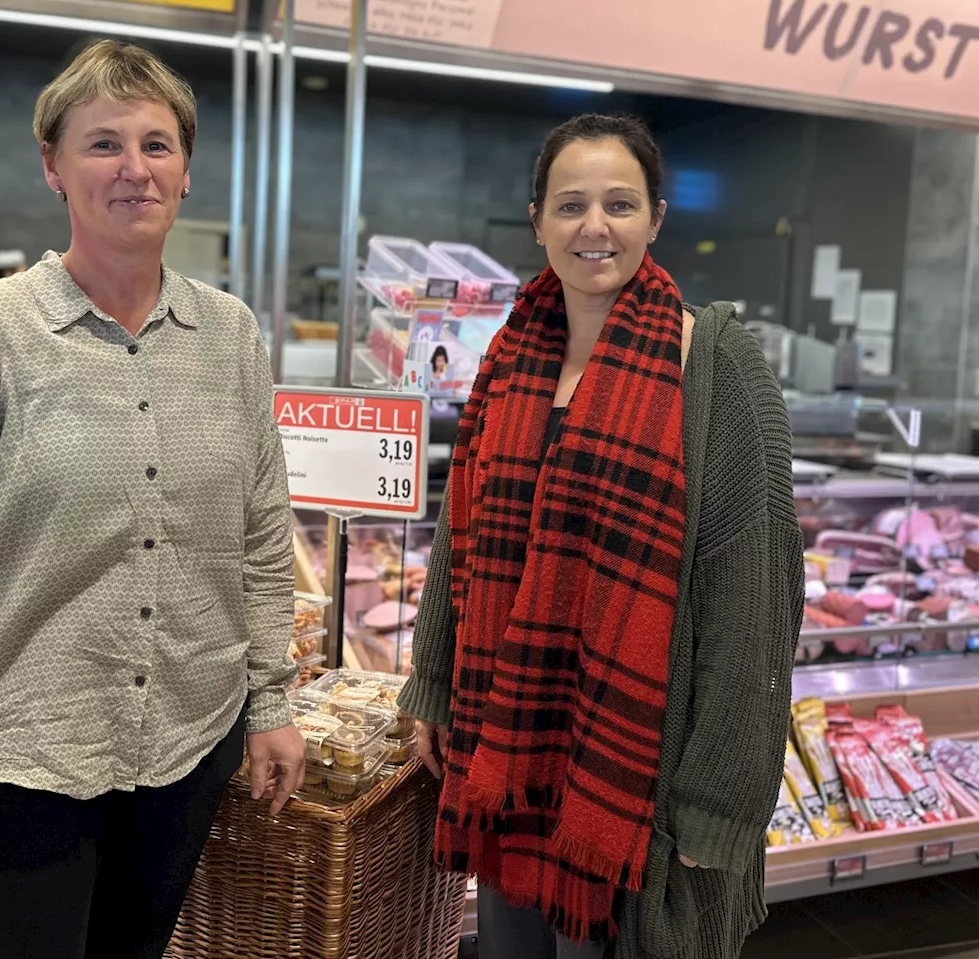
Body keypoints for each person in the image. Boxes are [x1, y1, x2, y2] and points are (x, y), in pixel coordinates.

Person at [0, 39, 306, 959]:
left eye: (157, 144)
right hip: (25, 764)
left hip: (188, 747)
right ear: (54, 169)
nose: (134, 169)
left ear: (186, 172)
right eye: (103, 144)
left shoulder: (229, 335)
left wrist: (270, 700)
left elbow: (262, 536)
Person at [398, 113, 803, 959]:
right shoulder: (510, 356)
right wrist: (432, 681)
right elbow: (458, 539)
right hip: (509, 747)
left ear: (656, 218)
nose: (594, 227)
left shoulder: (716, 365)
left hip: (631, 770)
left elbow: (756, 592)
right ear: (538, 219)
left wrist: (721, 796)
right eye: (570, 204)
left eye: (619, 204)